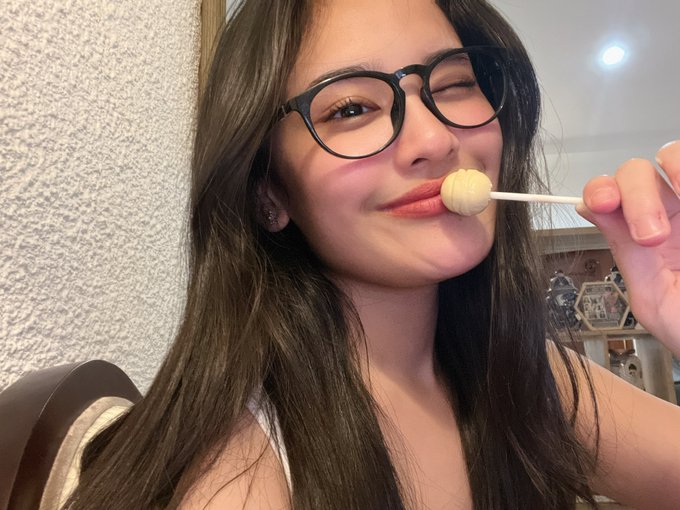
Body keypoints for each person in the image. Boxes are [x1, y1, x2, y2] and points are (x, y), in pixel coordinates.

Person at [66, 0, 680, 508]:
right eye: (352, 108)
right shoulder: (238, 478)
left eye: (455, 84)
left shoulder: (530, 377)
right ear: (268, 193)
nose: (435, 138)